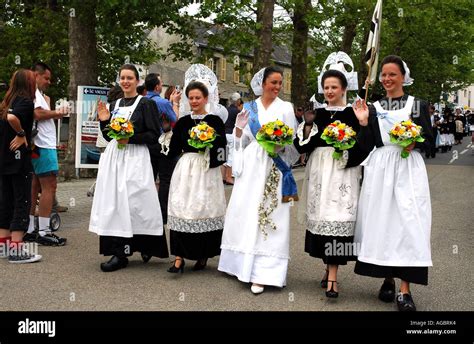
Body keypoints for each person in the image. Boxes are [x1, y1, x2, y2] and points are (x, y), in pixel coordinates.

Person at [352, 55, 433, 311]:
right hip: (380, 169)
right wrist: (364, 123)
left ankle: (405, 289)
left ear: (403, 77)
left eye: (392, 74)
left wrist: (415, 142)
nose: (387, 79)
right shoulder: (373, 107)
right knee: (382, 224)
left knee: (409, 224)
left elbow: (429, 142)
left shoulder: (417, 105)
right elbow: (366, 145)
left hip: (408, 169)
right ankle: (386, 278)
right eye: (383, 75)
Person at [218, 66, 300, 294]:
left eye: (280, 83)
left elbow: (291, 140)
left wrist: (279, 143)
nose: (277, 87)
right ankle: (240, 264)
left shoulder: (286, 108)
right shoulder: (250, 107)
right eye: (273, 82)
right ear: (262, 83)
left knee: (269, 211)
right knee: (246, 210)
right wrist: (238, 129)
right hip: (253, 162)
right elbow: (241, 140)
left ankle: (264, 272)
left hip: (273, 163)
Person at [293, 69, 370, 298]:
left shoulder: (351, 112)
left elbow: (363, 145)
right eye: (326, 87)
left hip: (343, 172)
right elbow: (304, 147)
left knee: (339, 219)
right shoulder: (318, 113)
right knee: (323, 219)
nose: (329, 91)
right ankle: (328, 268)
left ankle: (333, 276)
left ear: (344, 89)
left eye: (334, 87)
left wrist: (350, 141)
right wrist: (307, 126)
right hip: (320, 172)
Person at [89, 64, 168, 272]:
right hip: (115, 158)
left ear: (137, 81)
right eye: (122, 78)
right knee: (115, 204)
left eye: (129, 78)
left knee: (137, 202)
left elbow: (154, 135)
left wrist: (130, 138)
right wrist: (104, 121)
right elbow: (108, 136)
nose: (125, 81)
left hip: (136, 158)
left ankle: (145, 244)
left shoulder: (145, 104)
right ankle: (118, 253)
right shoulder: (114, 104)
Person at [166, 78, 227, 273]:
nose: (194, 101)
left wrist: (210, 148)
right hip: (186, 168)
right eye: (191, 98)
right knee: (182, 208)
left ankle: (203, 255)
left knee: (203, 209)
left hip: (207, 168)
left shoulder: (215, 121)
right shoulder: (183, 121)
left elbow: (223, 150)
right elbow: (174, 148)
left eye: (197, 97)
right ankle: (178, 257)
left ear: (206, 98)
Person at [0, 69, 42, 263]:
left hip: (5, 159)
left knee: (5, 201)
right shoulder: (25, 102)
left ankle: (4, 245)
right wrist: (21, 134)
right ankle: (17, 250)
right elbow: (12, 119)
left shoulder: (7, 102)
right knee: (22, 202)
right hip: (18, 162)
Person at [27, 62, 68, 246]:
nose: (49, 82)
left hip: (37, 145)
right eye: (46, 78)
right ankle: (44, 231)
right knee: (49, 185)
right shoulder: (35, 93)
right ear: (36, 75)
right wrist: (57, 113)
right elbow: (37, 114)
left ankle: (28, 228)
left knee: (34, 185)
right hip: (43, 145)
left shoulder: (36, 94)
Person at [145, 74, 181, 225]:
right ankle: (163, 213)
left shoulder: (142, 101)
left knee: (148, 180)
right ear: (157, 86)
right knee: (165, 179)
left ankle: (147, 212)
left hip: (146, 144)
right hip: (163, 144)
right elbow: (175, 120)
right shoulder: (163, 102)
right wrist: (175, 104)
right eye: (160, 83)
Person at [222, 92, 243, 185]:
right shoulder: (237, 112)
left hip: (224, 134)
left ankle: (222, 177)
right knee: (231, 156)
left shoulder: (226, 109)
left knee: (224, 156)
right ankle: (229, 177)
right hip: (231, 134)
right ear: (237, 101)